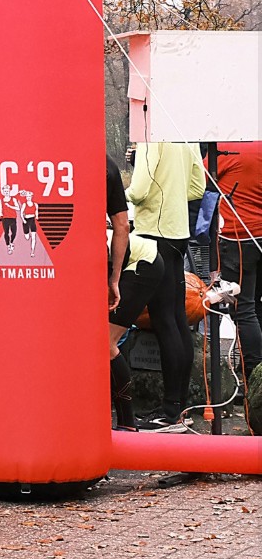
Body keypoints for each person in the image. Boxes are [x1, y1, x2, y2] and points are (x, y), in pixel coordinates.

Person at [127, 142, 205, 431]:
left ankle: (170, 414)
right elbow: (198, 186)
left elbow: (138, 190)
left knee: (164, 321)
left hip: (152, 234)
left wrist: (117, 196)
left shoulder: (151, 137)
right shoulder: (186, 134)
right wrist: (171, 196)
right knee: (176, 319)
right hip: (178, 233)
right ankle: (179, 408)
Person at [106, 155, 163, 431]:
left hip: (142, 264)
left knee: (104, 344)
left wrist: (114, 279)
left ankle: (127, 422)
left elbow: (122, 226)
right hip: (131, 261)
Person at [214, 141, 261, 379]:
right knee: (255, 305)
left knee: (242, 308)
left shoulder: (229, 148)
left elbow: (199, 178)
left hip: (239, 239)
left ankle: (254, 375)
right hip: (257, 237)